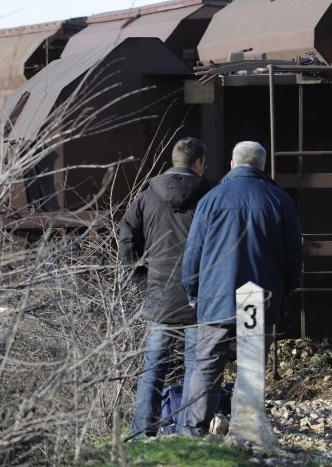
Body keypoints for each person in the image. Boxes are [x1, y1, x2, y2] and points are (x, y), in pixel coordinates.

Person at [180, 141, 302, 436]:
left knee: (207, 366)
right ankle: (245, 431)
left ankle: (192, 433)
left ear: (232, 165)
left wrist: (193, 292)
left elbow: (192, 253)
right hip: (257, 296)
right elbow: (293, 257)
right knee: (249, 366)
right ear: (262, 166)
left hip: (215, 295)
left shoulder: (211, 199)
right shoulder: (279, 200)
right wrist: (285, 293)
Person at [119, 137, 211, 439]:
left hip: (159, 296)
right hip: (200, 298)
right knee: (196, 370)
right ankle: (188, 433)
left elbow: (127, 240)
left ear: (174, 161)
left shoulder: (146, 198)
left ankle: (142, 433)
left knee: (152, 370)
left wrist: (142, 280)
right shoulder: (210, 195)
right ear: (198, 163)